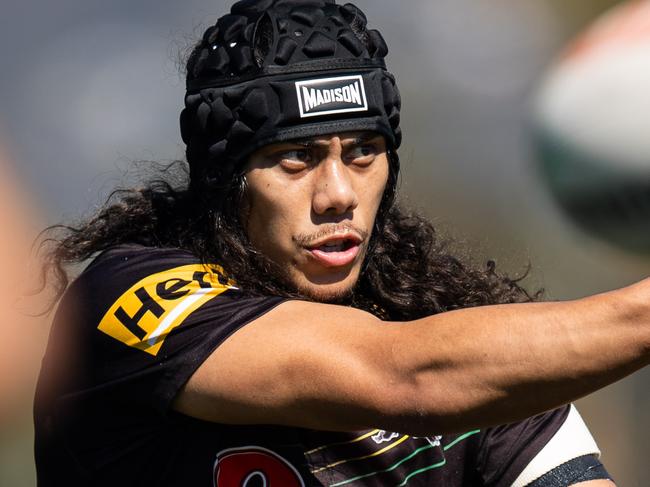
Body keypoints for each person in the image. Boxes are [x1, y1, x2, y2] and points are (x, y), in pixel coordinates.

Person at [34, 1, 649, 486]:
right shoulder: (126, 301)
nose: (338, 194)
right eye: (295, 158)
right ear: (226, 179)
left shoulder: (462, 342)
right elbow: (404, 380)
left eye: (362, 153)